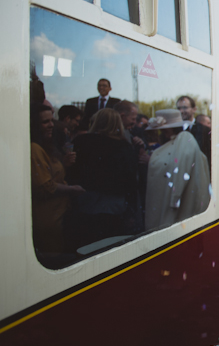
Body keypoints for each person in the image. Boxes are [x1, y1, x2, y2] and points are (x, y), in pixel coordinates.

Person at [71, 108, 139, 248]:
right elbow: (130, 180)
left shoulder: (81, 142)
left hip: (86, 202)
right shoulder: (124, 146)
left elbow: (74, 171)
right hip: (114, 205)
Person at [30, 103, 84, 258]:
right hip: (48, 221)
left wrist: (64, 165)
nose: (51, 125)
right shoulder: (35, 148)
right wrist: (73, 190)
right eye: (45, 122)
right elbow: (46, 185)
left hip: (58, 217)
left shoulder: (46, 147)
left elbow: (53, 175)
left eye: (51, 121)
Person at [144, 109, 210, 230]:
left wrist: (174, 199)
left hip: (178, 208)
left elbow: (177, 168)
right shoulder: (176, 142)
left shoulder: (184, 139)